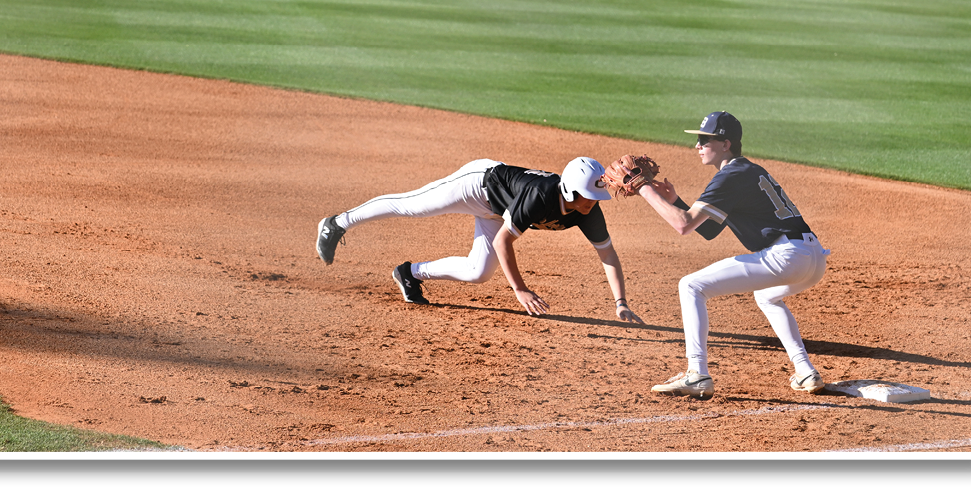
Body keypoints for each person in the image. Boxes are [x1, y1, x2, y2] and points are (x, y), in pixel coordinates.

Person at [637, 111, 830, 400]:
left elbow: (683, 225)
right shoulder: (746, 170)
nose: (697, 146)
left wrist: (644, 189)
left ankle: (697, 374)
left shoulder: (730, 176)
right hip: (812, 256)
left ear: (726, 144)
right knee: (767, 296)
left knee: (691, 285)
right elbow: (709, 231)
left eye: (704, 140)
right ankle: (805, 371)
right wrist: (675, 201)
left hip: (787, 256)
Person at [316, 157, 644, 323]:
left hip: (499, 210)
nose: (592, 202)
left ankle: (410, 273)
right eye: (586, 196)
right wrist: (520, 289)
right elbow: (504, 242)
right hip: (477, 187)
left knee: (478, 272)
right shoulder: (538, 197)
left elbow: (608, 255)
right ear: (569, 191)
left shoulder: (590, 211)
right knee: (411, 206)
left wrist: (621, 303)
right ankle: (337, 223)